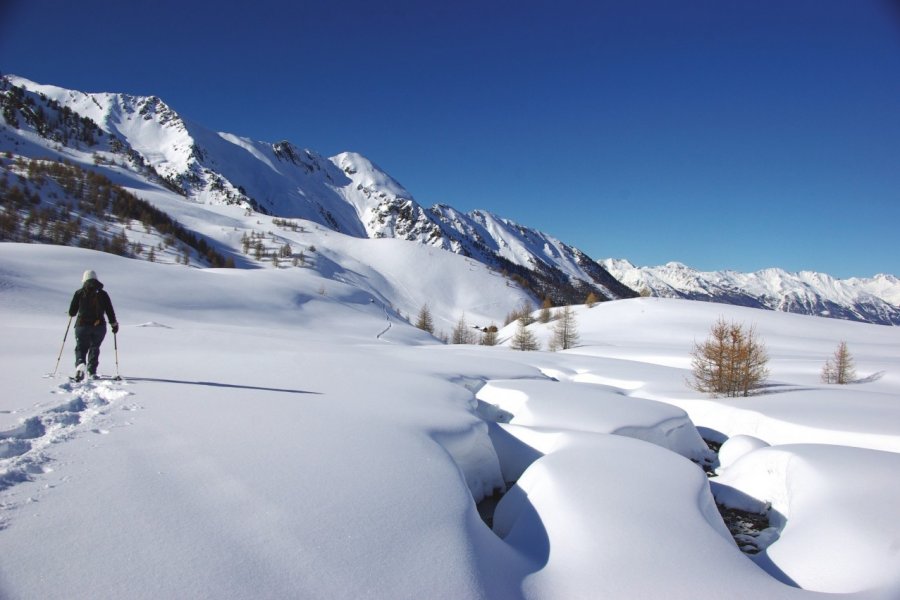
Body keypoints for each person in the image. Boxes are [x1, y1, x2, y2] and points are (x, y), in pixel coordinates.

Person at [68, 270, 118, 381]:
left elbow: (72, 312)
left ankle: (80, 364)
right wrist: (114, 324)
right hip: (99, 327)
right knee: (95, 347)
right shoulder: (103, 294)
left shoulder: (79, 293)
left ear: (84, 280)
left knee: (81, 347)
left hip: (82, 326)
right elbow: (110, 311)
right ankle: (92, 371)